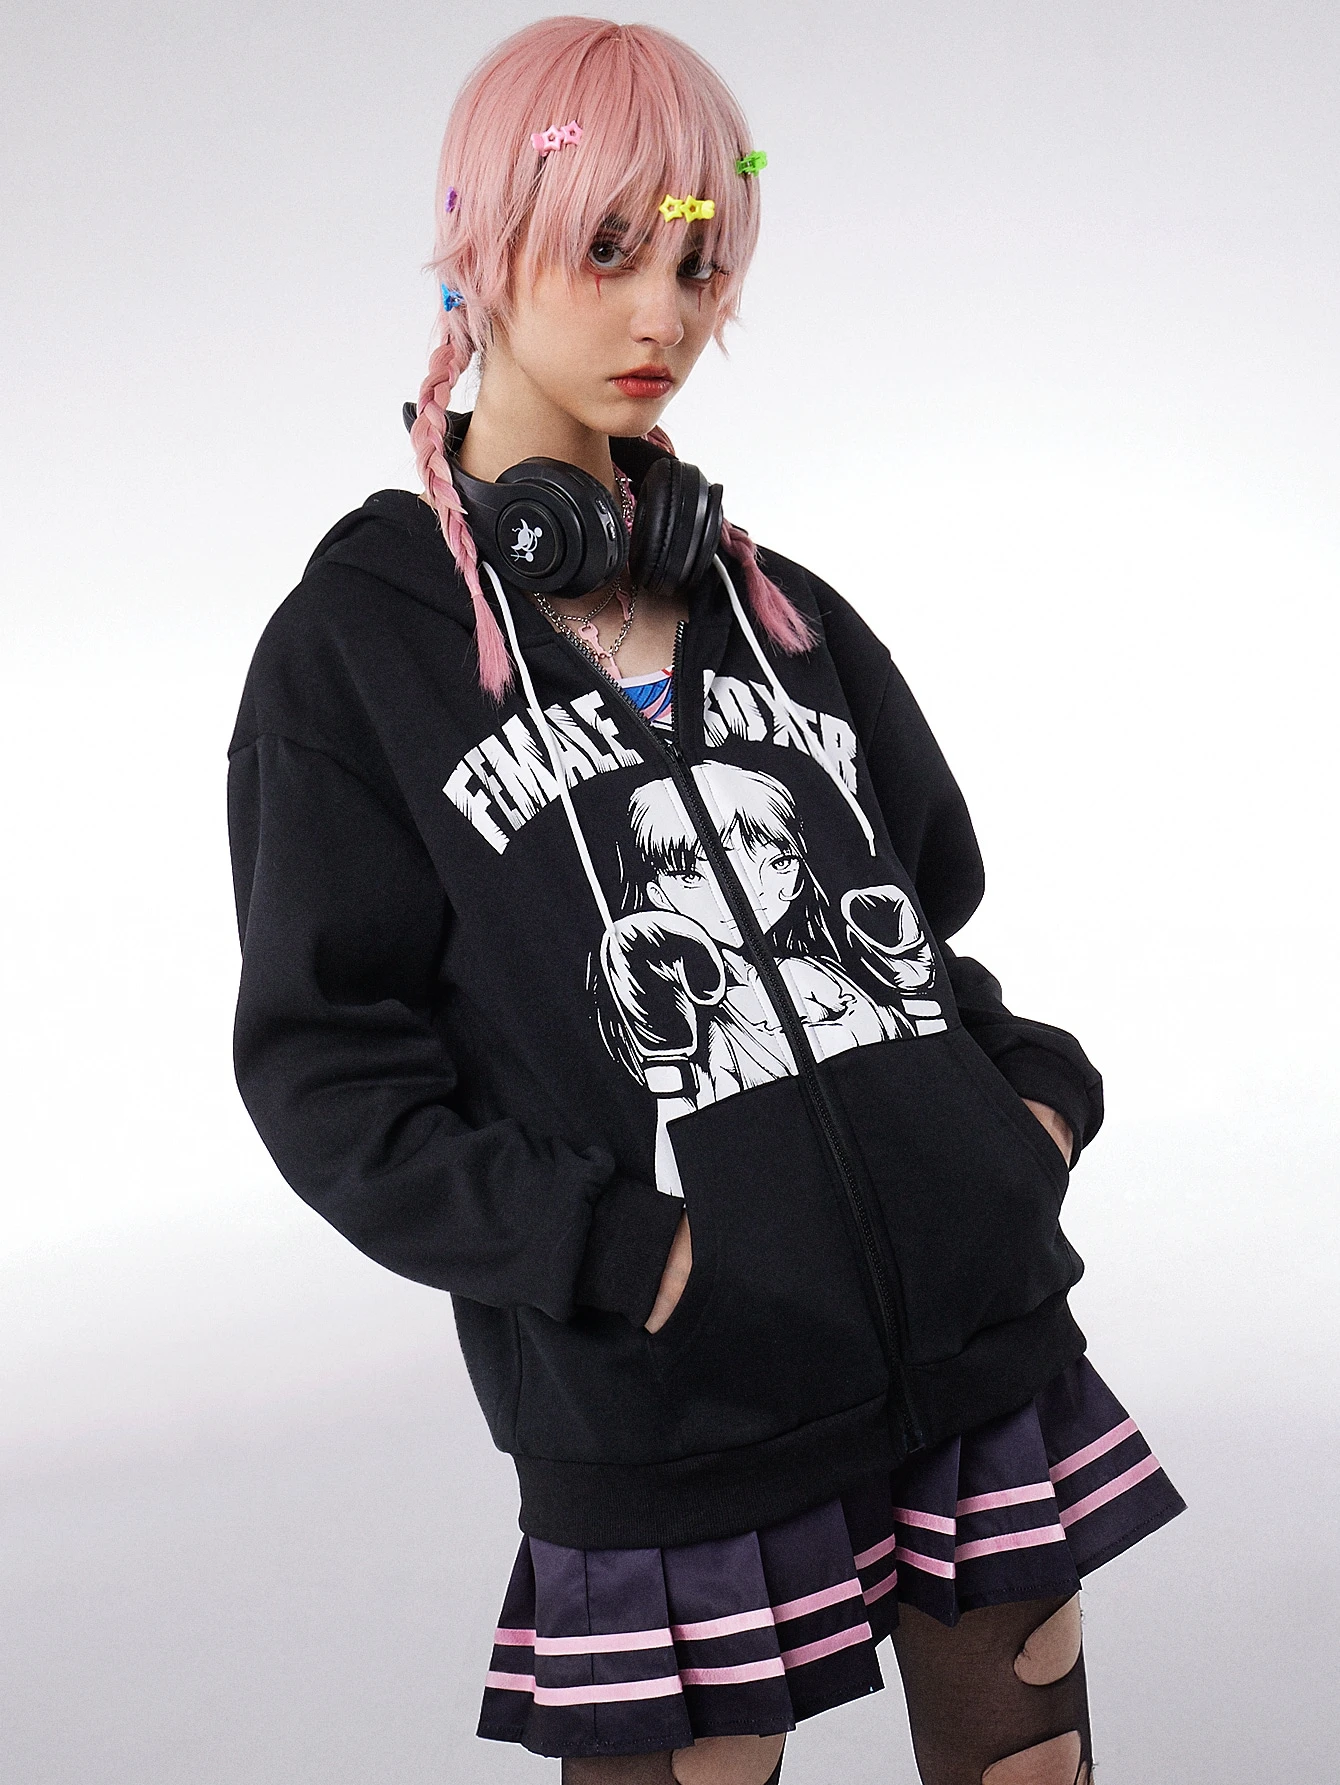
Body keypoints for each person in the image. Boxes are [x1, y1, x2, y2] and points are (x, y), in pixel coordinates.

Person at [226, 18, 1184, 1785]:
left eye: (697, 261)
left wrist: (1025, 1109)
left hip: (973, 1352)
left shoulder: (779, 610)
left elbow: (919, 929)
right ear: (480, 244)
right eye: (606, 249)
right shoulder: (357, 655)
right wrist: (622, 1255)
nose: (661, 315)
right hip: (673, 1406)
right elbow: (329, 1073)